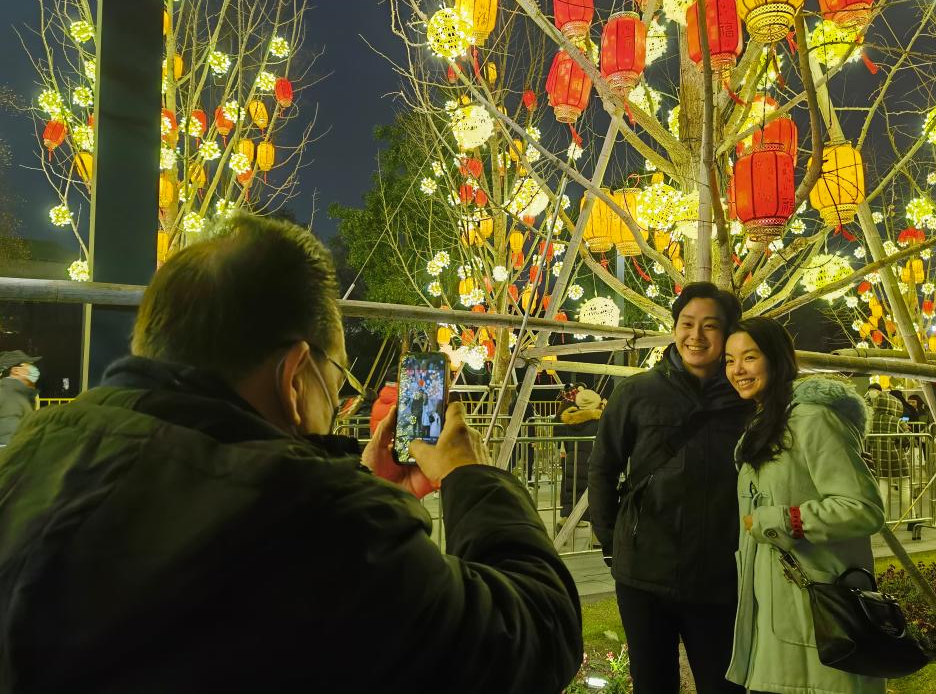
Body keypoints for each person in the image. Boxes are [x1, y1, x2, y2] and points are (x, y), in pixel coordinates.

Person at [0, 213, 582, 692]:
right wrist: (468, 473)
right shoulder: (320, 519)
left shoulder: (36, 452)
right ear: (296, 376)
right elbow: (535, 636)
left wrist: (368, 489)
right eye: (337, 375)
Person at [589, 282, 753, 694]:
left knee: (725, 684)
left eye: (710, 326)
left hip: (720, 577)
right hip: (643, 574)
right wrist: (611, 541)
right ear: (675, 327)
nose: (696, 336)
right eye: (687, 323)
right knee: (653, 684)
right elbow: (603, 469)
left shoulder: (747, 399)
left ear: (728, 332)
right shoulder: (636, 393)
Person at [724, 317, 885, 694]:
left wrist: (782, 520)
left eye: (750, 357)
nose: (738, 370)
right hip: (774, 604)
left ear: (777, 358)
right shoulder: (765, 423)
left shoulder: (814, 419)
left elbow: (863, 508)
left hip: (819, 608)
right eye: (730, 361)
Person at [557, 385, 603, 532]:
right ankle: (597, 534)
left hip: (573, 462)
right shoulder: (598, 422)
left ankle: (566, 521)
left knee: (572, 492)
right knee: (595, 497)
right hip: (591, 461)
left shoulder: (571, 421)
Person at [863, 383, 910, 514]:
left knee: (882, 488)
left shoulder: (870, 421)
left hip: (878, 456)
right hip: (897, 457)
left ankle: (882, 517)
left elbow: (867, 440)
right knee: (904, 487)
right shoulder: (897, 421)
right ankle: (909, 516)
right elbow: (907, 438)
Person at [0, 350, 41, 447]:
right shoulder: (9, 394)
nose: (33, 368)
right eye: (28, 364)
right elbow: (7, 436)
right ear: (15, 371)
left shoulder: (19, 392)